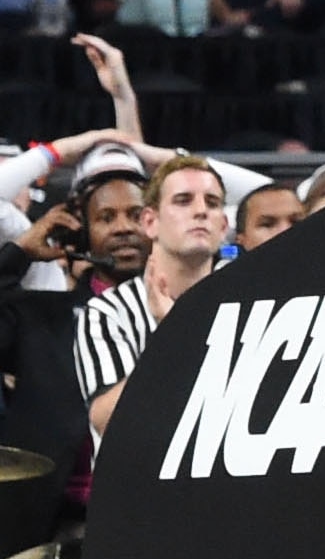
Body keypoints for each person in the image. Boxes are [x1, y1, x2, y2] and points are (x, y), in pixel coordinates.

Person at [74, 152, 230, 447]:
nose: (200, 211)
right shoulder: (108, 312)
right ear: (150, 221)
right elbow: (109, 422)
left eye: (212, 202)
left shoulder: (248, 300)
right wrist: (171, 337)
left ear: (223, 226)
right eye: (183, 200)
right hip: (143, 473)